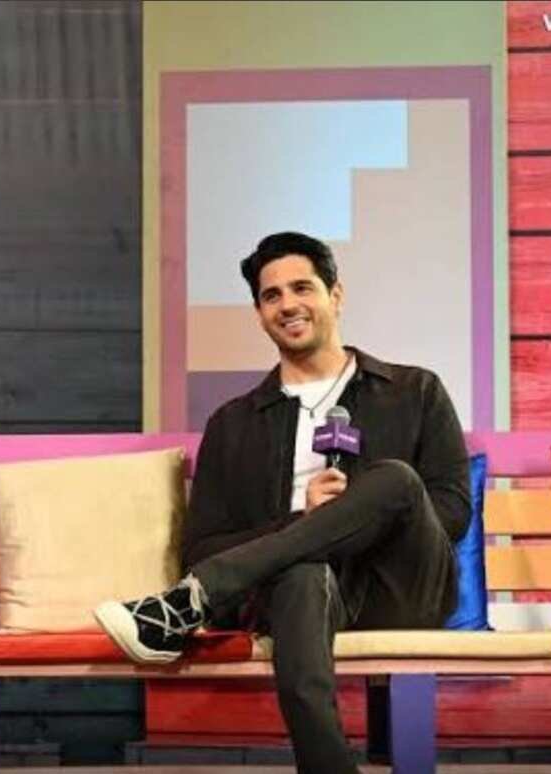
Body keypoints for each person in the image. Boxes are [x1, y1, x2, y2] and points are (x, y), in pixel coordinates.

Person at [95, 231, 471, 774]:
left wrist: (358, 510)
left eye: (302, 288)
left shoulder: (415, 391)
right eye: (271, 296)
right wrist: (304, 522)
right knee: (302, 574)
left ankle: (192, 600)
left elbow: (453, 513)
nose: (288, 304)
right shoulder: (234, 423)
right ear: (260, 314)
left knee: (394, 479)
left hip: (401, 586)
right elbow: (202, 547)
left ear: (335, 294)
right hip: (297, 599)